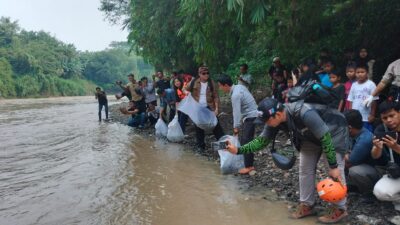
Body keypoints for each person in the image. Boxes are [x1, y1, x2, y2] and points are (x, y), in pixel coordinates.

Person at [225, 98, 349, 224]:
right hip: (309, 135)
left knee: (334, 170)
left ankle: (340, 208)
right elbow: (261, 141)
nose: (265, 124)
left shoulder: (305, 113)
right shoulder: (274, 120)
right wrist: (238, 150)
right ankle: (307, 205)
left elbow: (325, 137)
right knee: (305, 169)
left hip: (333, 131)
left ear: (277, 114)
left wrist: (333, 166)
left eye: (266, 121)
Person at [217, 74, 259, 174]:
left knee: (246, 140)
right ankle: (248, 162)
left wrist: (236, 128)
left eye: (220, 86)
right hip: (253, 113)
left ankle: (249, 166)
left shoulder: (235, 95)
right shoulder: (240, 86)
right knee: (246, 139)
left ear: (226, 85)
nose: (220, 88)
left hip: (251, 115)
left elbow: (236, 112)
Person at [343, 110, 382, 200]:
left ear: (349, 127)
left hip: (377, 171)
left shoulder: (365, 139)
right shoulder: (352, 134)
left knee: (354, 170)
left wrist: (343, 154)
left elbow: (349, 161)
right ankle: (354, 185)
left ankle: (369, 192)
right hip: (364, 165)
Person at [186, 66, 225, 151]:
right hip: (198, 108)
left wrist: (217, 109)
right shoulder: (194, 82)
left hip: (209, 108)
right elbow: (185, 89)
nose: (206, 75)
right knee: (199, 127)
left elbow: (216, 97)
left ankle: (223, 146)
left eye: (207, 73)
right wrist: (188, 97)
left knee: (216, 126)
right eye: (203, 73)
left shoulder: (211, 83)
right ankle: (201, 147)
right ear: (199, 74)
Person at [371, 101, 400, 211]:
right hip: (396, 172)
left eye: (392, 116)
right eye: (385, 118)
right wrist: (377, 147)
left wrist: (396, 147)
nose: (388, 120)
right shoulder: (381, 130)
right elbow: (375, 156)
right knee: (380, 192)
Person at [347, 65, 378, 132]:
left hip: (366, 117)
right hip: (355, 116)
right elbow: (351, 100)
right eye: (358, 72)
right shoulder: (354, 85)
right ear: (355, 73)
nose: (360, 74)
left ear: (367, 73)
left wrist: (372, 115)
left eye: (362, 72)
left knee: (367, 135)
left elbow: (374, 100)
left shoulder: (371, 84)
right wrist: (350, 113)